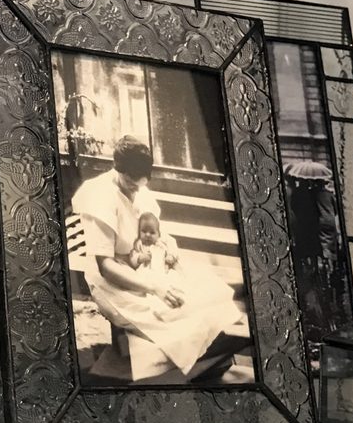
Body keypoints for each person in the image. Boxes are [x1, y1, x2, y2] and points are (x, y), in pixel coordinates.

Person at [72, 135, 242, 381]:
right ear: (117, 169)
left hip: (148, 267)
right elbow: (105, 266)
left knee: (205, 295)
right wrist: (154, 287)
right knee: (174, 317)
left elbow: (156, 231)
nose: (135, 188)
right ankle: (158, 369)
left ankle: (205, 359)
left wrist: (169, 250)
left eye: (140, 184)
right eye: (130, 183)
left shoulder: (140, 190)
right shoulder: (100, 195)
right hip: (115, 280)